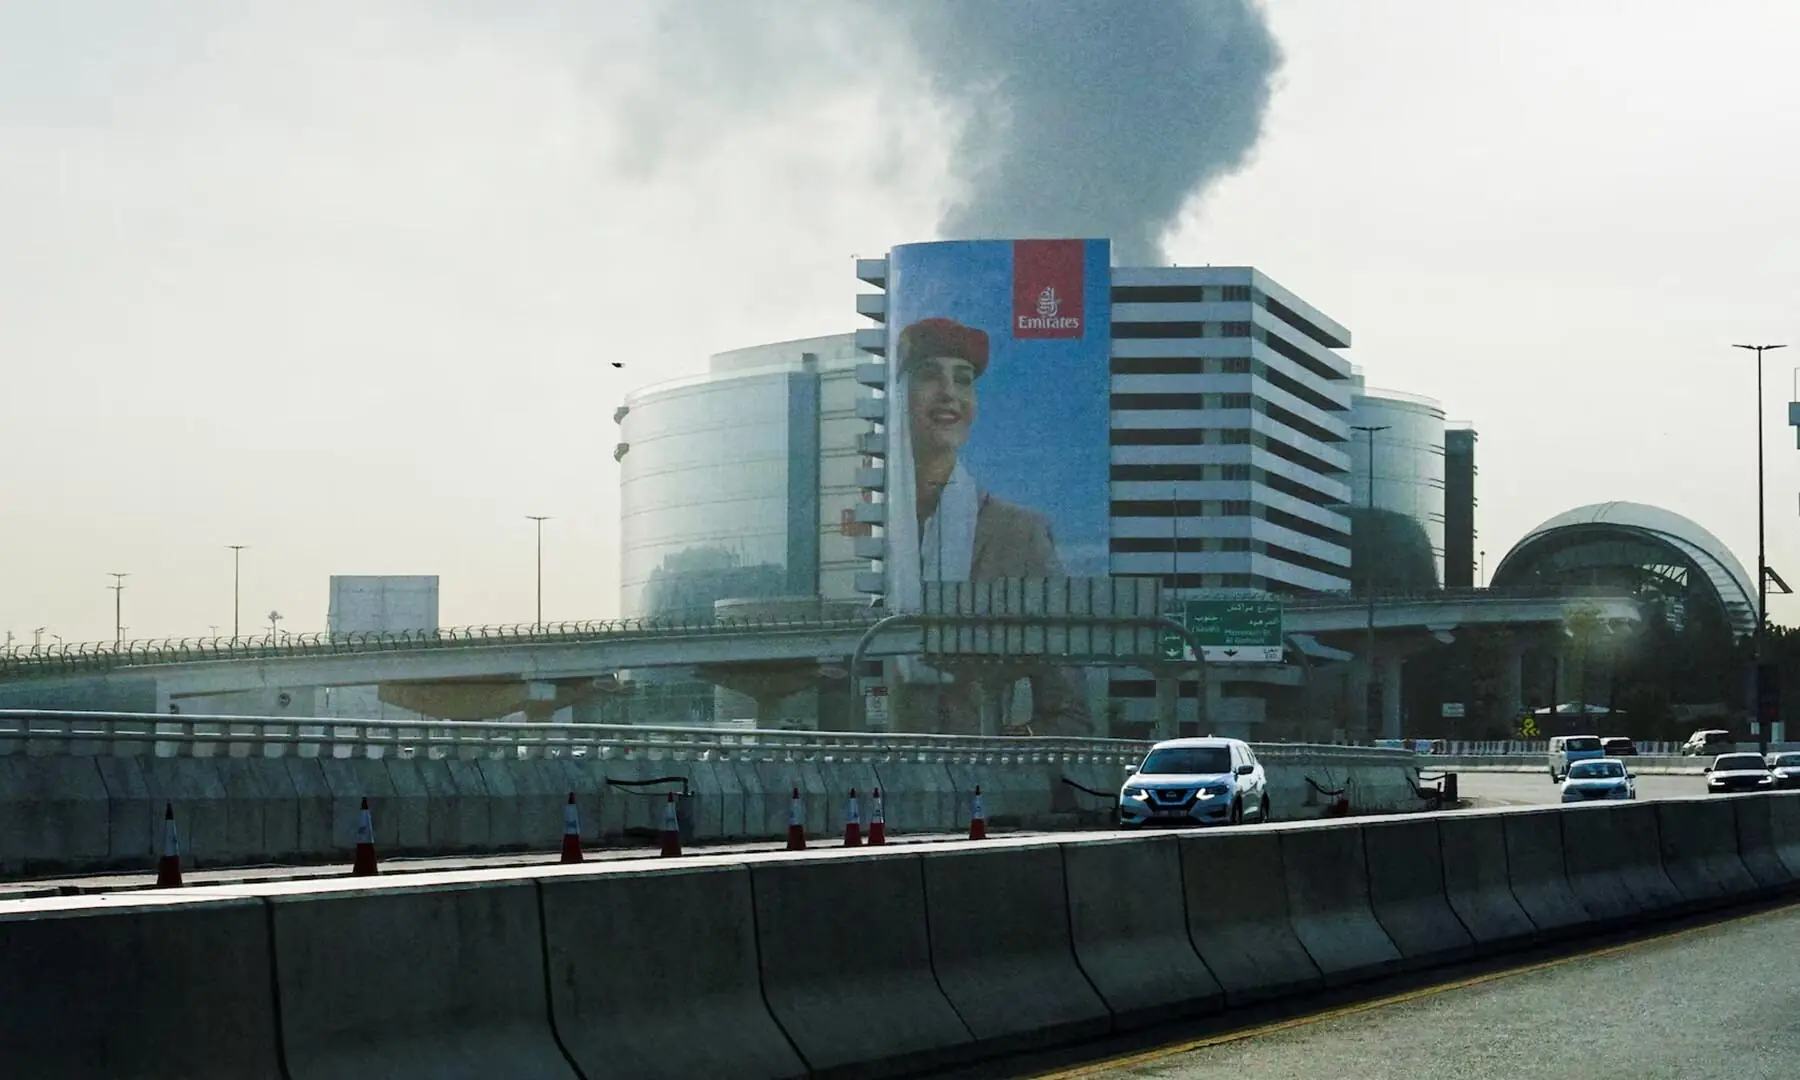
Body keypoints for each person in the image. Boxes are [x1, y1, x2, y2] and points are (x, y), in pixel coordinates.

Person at [892, 316, 1092, 736]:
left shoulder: (1019, 532)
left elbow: (1069, 710)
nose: (948, 394)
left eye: (963, 380)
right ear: (897, 397)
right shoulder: (878, 534)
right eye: (929, 375)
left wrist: (1018, 744)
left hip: (988, 776)